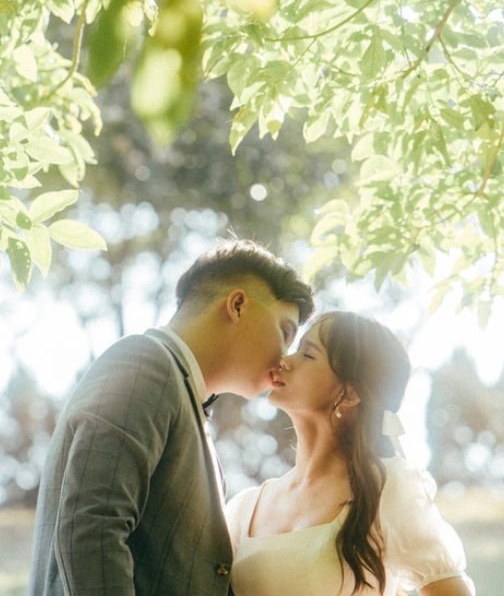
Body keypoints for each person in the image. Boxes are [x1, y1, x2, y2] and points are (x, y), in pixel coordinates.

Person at [28, 238, 315, 596]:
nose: (284, 359)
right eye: (285, 333)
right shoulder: (145, 364)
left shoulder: (181, 397)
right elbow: (92, 529)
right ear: (238, 305)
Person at [225, 311, 476, 596]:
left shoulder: (385, 488)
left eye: (307, 355)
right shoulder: (244, 508)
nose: (284, 360)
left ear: (350, 394)